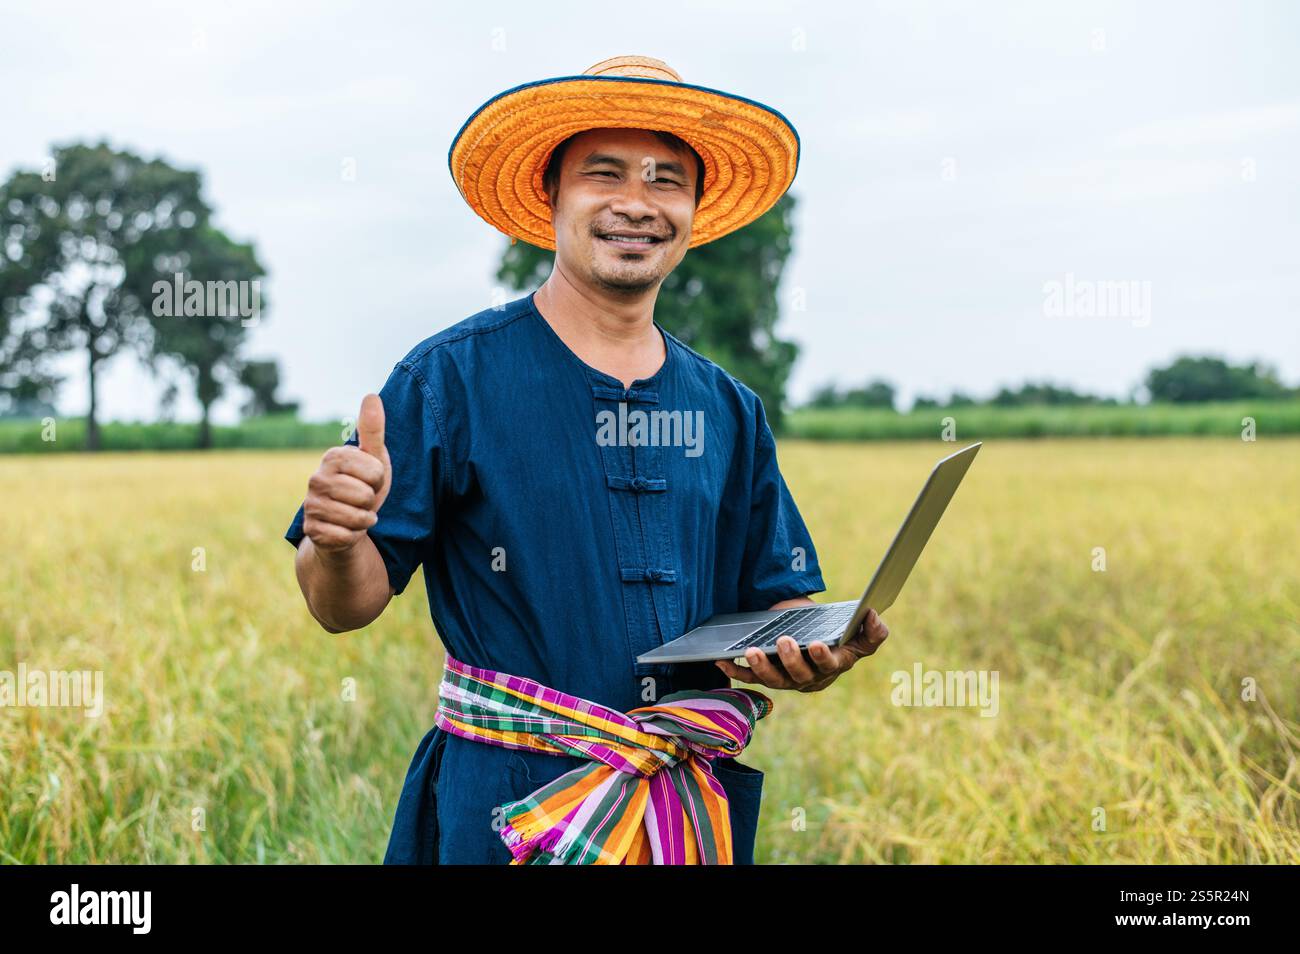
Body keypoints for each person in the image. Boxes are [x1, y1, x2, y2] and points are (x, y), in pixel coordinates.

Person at [285, 55, 889, 865]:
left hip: (679, 809)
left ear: (695, 210)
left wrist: (815, 657)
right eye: (603, 173)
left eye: (666, 180)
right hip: (505, 814)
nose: (636, 204)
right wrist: (336, 539)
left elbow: (770, 617)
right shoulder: (450, 379)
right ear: (551, 196)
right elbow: (342, 605)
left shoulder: (729, 410)